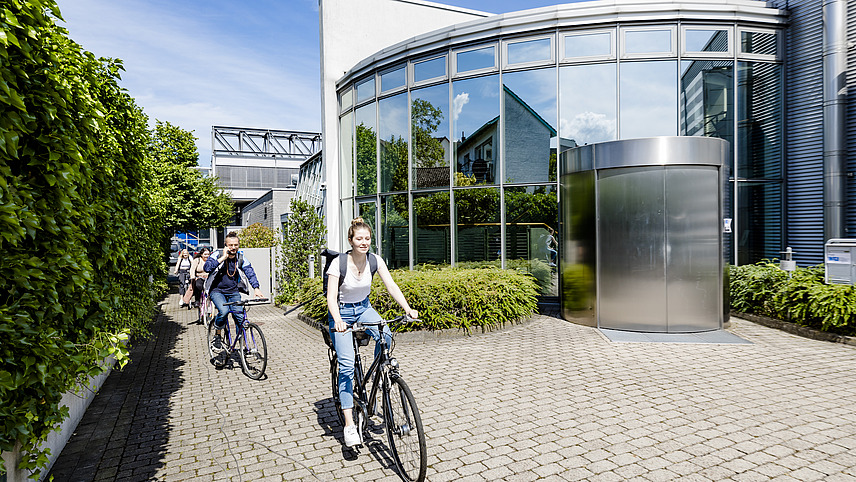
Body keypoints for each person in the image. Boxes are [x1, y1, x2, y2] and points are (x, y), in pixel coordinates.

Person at [327, 217, 419, 448]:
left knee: (386, 336)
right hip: (342, 313)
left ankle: (377, 379)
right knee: (347, 365)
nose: (364, 242)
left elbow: (391, 286)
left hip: (364, 309)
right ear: (350, 240)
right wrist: (337, 320)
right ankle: (349, 425)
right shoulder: (338, 263)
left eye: (367, 238)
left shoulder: (375, 260)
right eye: (359, 238)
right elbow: (330, 297)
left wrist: (407, 308)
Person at [204, 232, 265, 350]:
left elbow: (250, 272)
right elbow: (207, 268)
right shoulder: (217, 254)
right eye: (230, 245)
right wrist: (223, 258)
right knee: (224, 310)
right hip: (217, 291)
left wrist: (256, 288)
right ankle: (217, 335)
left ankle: (242, 345)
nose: (233, 247)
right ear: (225, 245)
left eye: (236, 245)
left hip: (233, 292)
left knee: (240, 317)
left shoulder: (241, 258)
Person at [182, 247, 211, 311]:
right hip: (199, 277)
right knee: (198, 285)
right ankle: (197, 300)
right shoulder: (197, 260)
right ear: (201, 254)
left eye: (208, 254)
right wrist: (192, 277)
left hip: (209, 278)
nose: (207, 256)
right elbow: (192, 269)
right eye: (205, 254)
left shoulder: (211, 260)